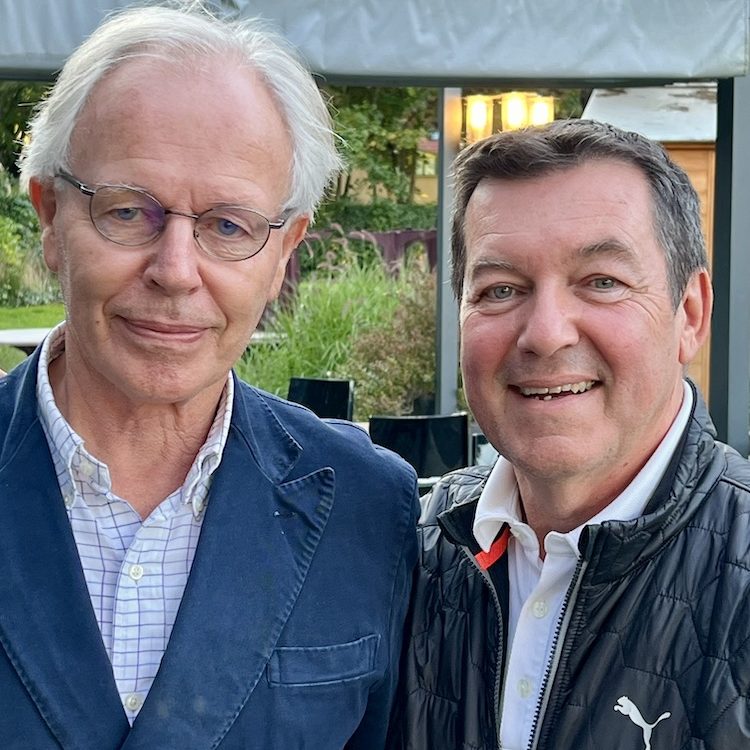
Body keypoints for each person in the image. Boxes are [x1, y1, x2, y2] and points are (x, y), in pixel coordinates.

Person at [0, 5, 419, 748]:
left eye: (229, 226)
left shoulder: (367, 508)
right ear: (50, 215)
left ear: (284, 250)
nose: (176, 271)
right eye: (129, 212)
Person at [387, 119, 750, 749]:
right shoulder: (415, 551)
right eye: (502, 290)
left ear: (689, 315)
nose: (546, 332)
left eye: (602, 282)